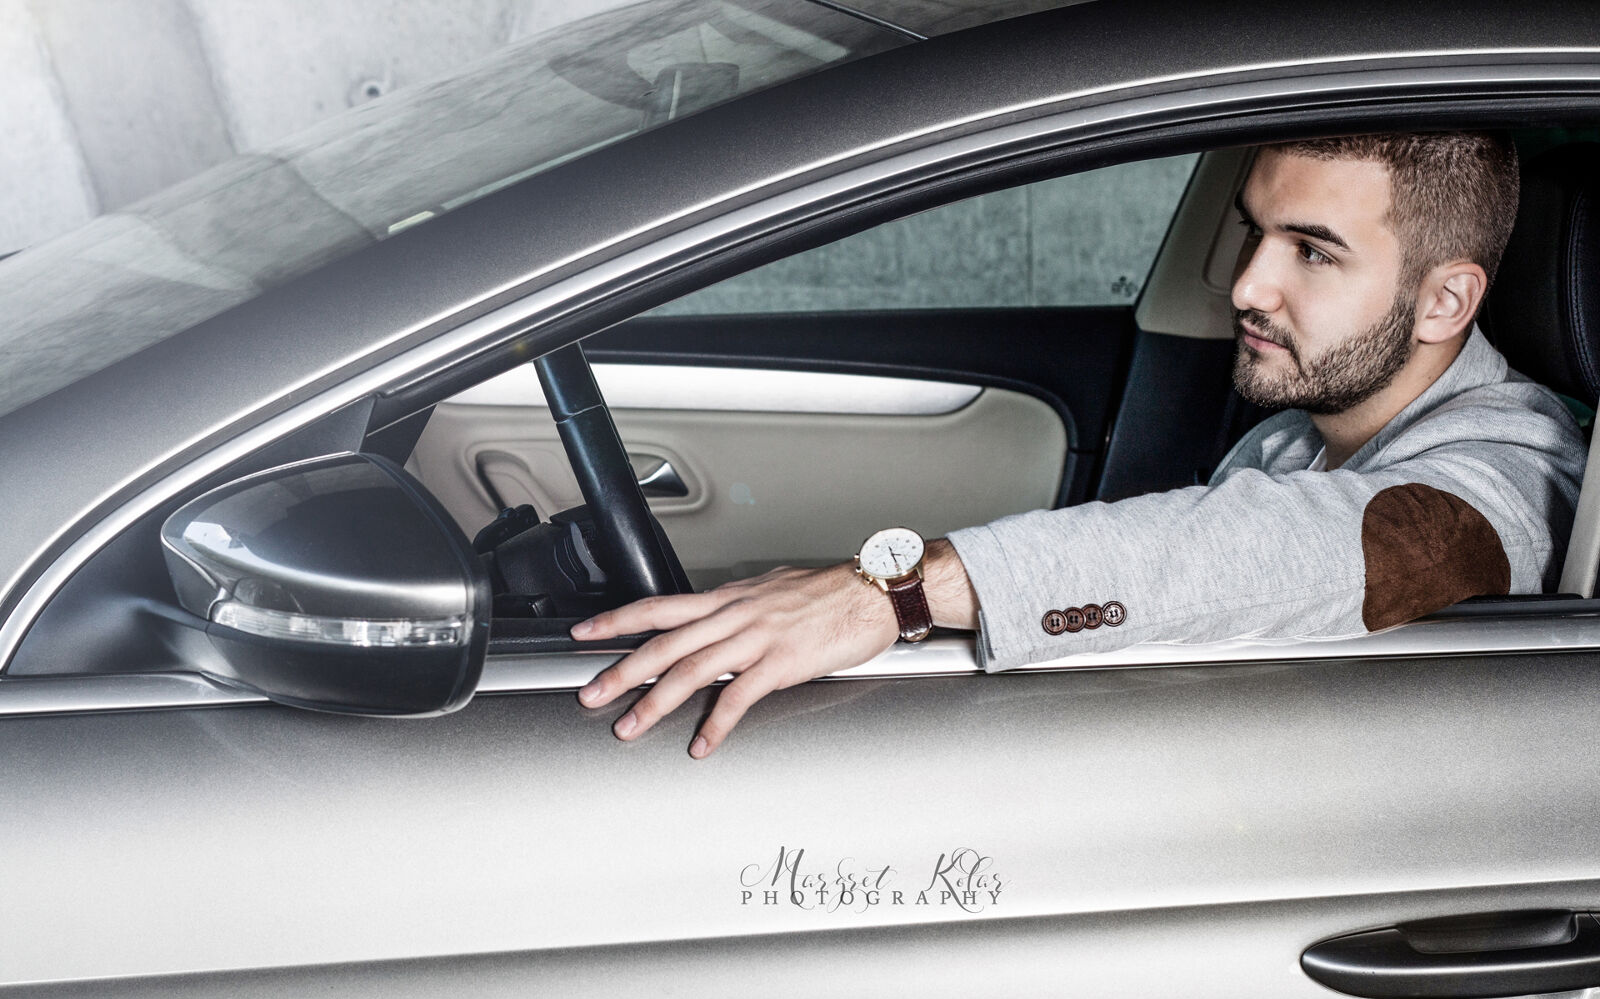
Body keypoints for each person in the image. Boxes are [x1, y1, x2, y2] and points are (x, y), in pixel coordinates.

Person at [571, 131, 1587, 759]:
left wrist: (891, 591)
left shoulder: (1512, 475)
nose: (1246, 285)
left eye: (1312, 252)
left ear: (1445, 300)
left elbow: (1294, 548)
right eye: (1255, 232)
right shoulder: (1291, 437)